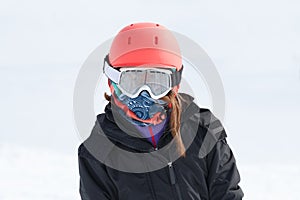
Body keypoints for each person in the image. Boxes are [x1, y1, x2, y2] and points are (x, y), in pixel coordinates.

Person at [78, 22, 244, 200]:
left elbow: (228, 194)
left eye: (157, 82)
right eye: (132, 81)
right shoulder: (98, 152)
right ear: (113, 82)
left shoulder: (204, 132)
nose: (144, 93)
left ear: (174, 84)